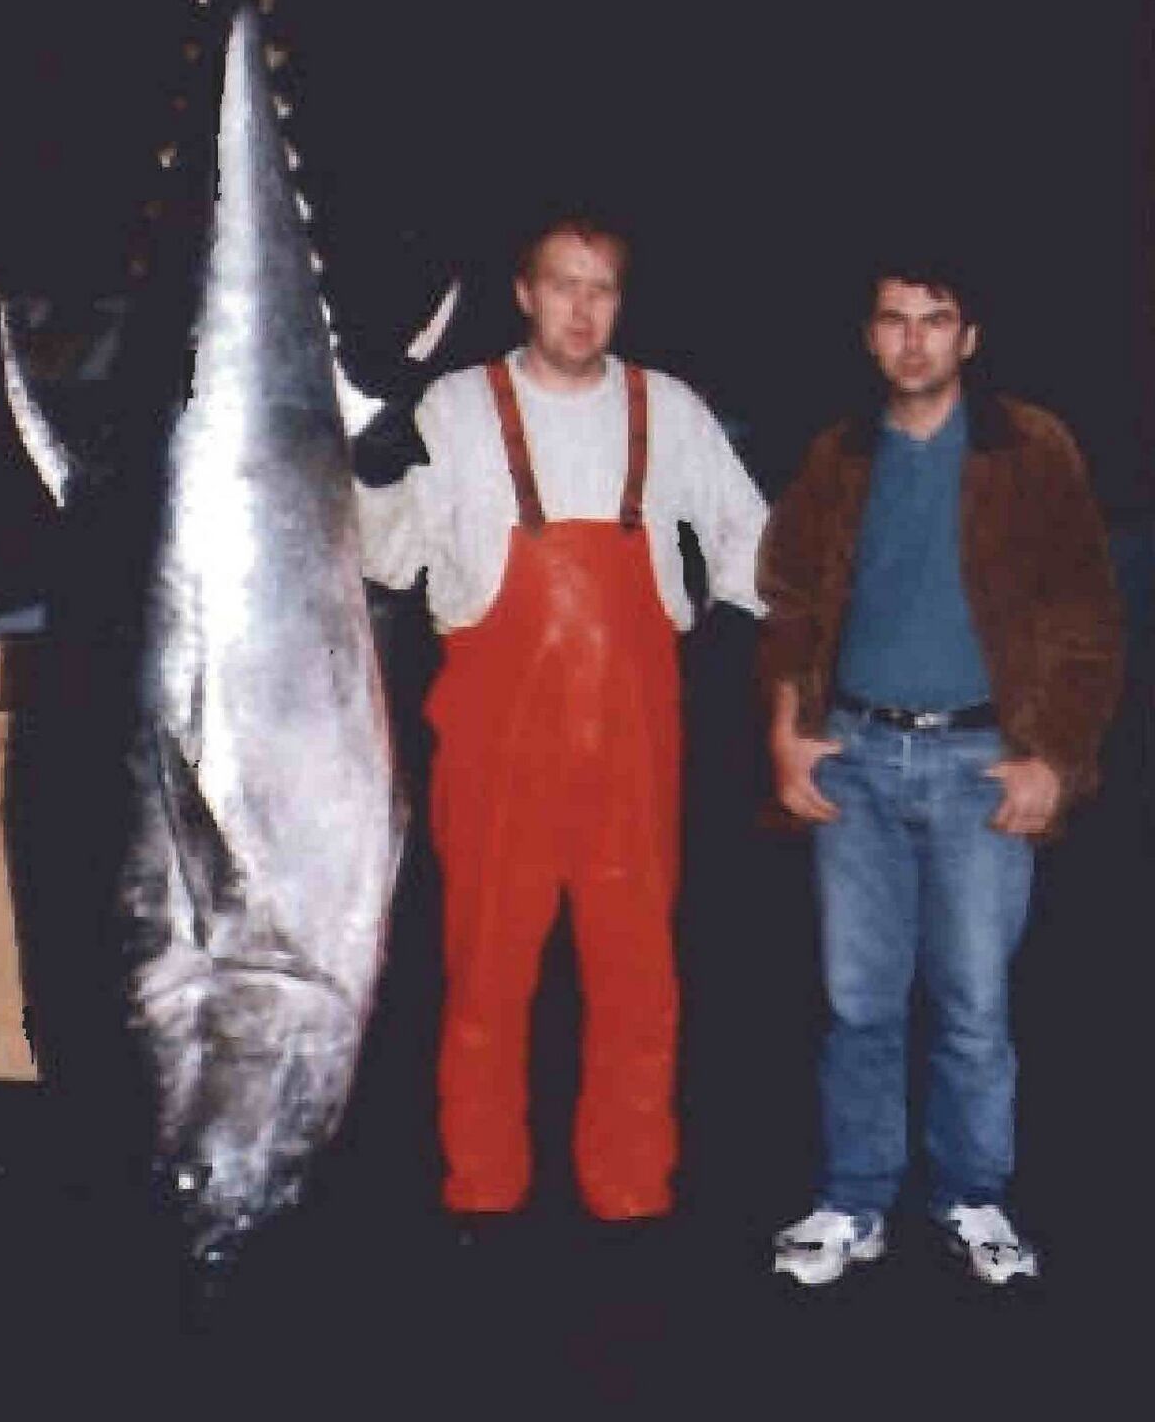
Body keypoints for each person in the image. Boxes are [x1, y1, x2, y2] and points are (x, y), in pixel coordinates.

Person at [354, 214, 767, 1226]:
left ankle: (632, 1190)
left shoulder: (666, 407)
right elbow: (388, 556)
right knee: (484, 977)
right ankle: (481, 1189)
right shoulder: (454, 407)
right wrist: (369, 470)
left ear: (621, 300)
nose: (581, 309)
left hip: (633, 748)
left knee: (639, 980)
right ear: (524, 292)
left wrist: (733, 637)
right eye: (562, 285)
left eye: (602, 288)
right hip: (493, 751)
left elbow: (753, 539)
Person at [760, 257, 1123, 1289]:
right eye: (894, 318)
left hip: (980, 761)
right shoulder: (838, 454)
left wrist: (1055, 758)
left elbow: (1088, 616)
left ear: (969, 337)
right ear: (868, 335)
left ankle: (973, 1195)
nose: (913, 339)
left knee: (973, 1001)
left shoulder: (1030, 448)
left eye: (936, 319)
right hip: (856, 758)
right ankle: (853, 1199)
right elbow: (789, 602)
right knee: (856, 1000)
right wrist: (787, 735)